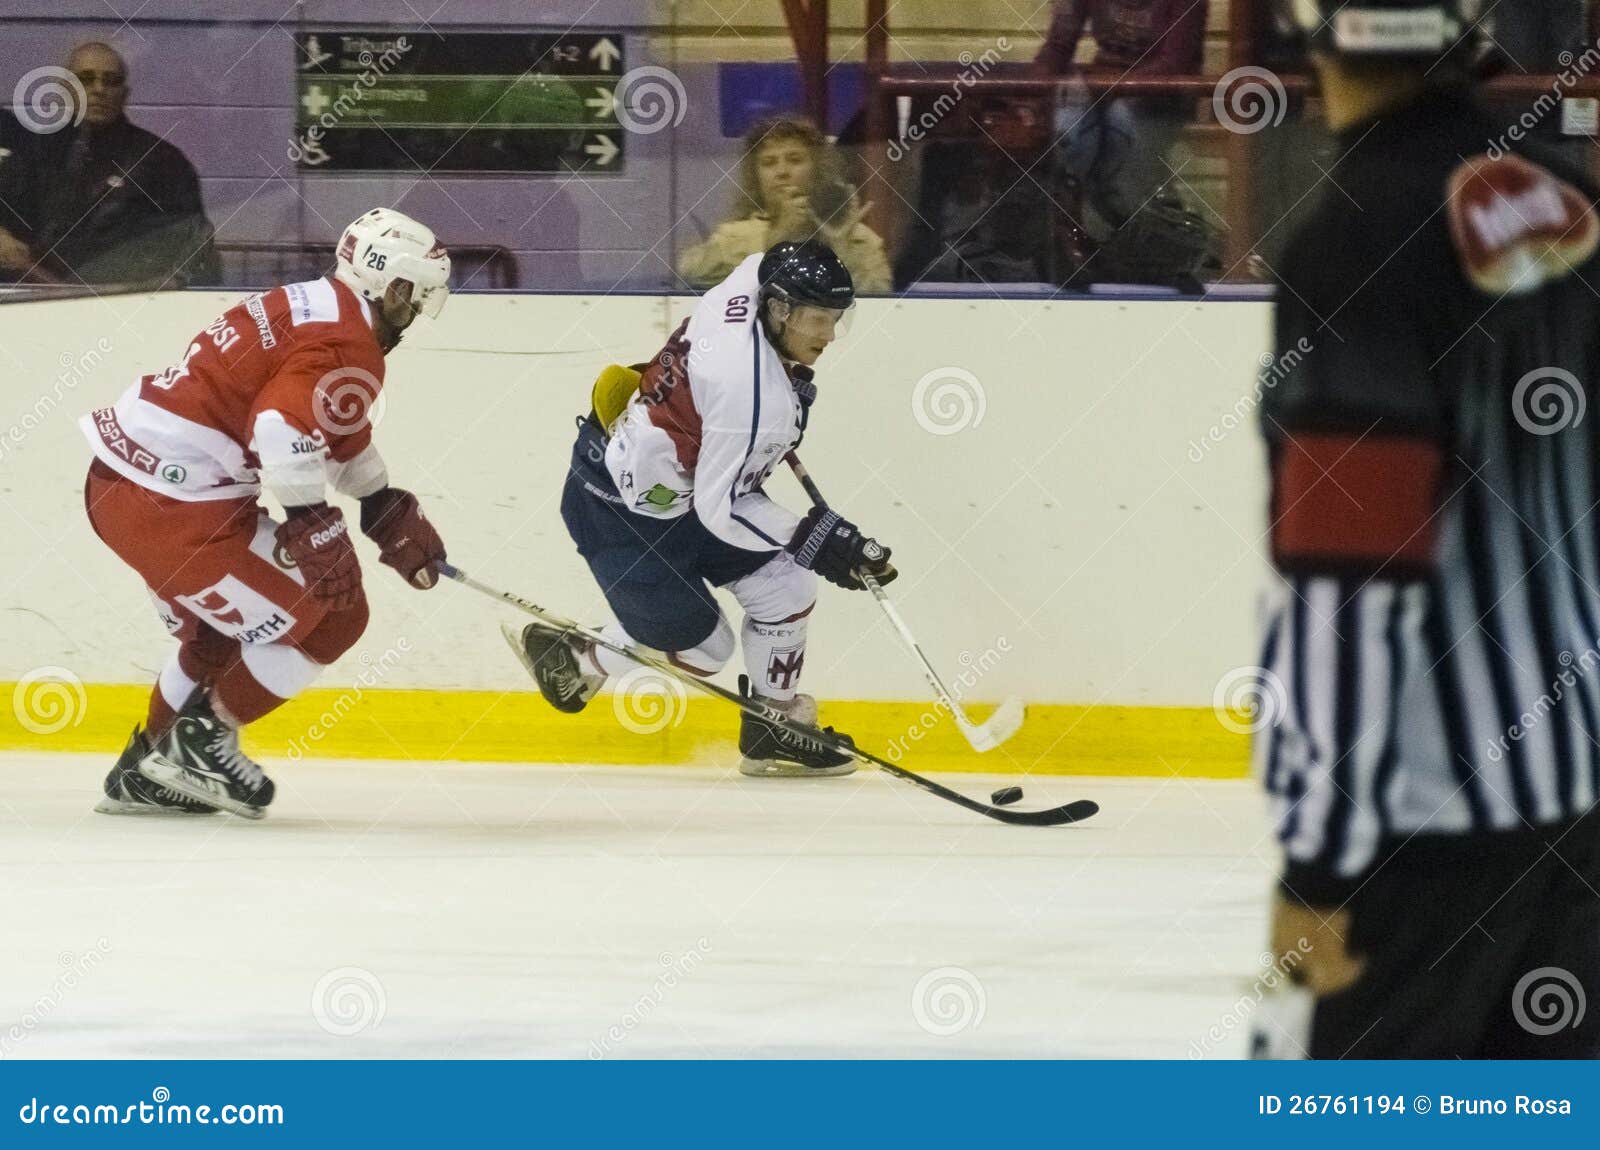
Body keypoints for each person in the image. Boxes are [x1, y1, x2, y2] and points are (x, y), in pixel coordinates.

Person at [1249, 0, 1600, 1058]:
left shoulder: (1350, 233)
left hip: (1423, 824)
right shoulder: (1574, 200)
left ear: (1313, 45)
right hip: (1576, 799)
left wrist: (1319, 863)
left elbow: (1350, 577)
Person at [80, 208, 451, 818]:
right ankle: (202, 743)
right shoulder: (352, 341)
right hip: (175, 510)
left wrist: (379, 500)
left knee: (225, 626)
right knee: (339, 615)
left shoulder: (306, 302)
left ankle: (149, 765)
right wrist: (311, 521)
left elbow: (323, 421)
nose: (412, 317)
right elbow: (280, 429)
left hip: (118, 490)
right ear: (396, 286)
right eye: (415, 301)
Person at [508, 240, 897, 776]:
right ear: (780, 309)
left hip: (675, 486)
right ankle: (575, 659)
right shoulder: (751, 397)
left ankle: (773, 726)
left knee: (787, 588)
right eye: (817, 320)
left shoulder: (750, 282)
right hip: (618, 510)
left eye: (836, 319)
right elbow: (724, 508)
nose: (829, 335)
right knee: (706, 651)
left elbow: (763, 257)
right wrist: (816, 538)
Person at [25, 41, 217, 286]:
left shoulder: (162, 162)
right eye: (86, 79)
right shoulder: (32, 153)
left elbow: (191, 245)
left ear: (124, 94)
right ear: (65, 89)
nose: (99, 89)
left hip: (127, 304)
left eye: (111, 80)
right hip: (34, 303)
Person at [1036, 0, 1209, 231]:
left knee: (1121, 119)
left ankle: (1127, 219)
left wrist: (1104, 88)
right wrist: (1031, 92)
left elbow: (1175, 62)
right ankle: (1073, 218)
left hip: (1163, 94)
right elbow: (1058, 46)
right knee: (1069, 118)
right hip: (1106, 87)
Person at [679, 117, 891, 293]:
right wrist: (776, 238)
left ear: (817, 170)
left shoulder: (857, 237)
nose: (782, 172)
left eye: (795, 160)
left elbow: (881, 303)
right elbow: (689, 275)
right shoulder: (733, 236)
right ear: (756, 177)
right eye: (769, 163)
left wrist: (842, 250)